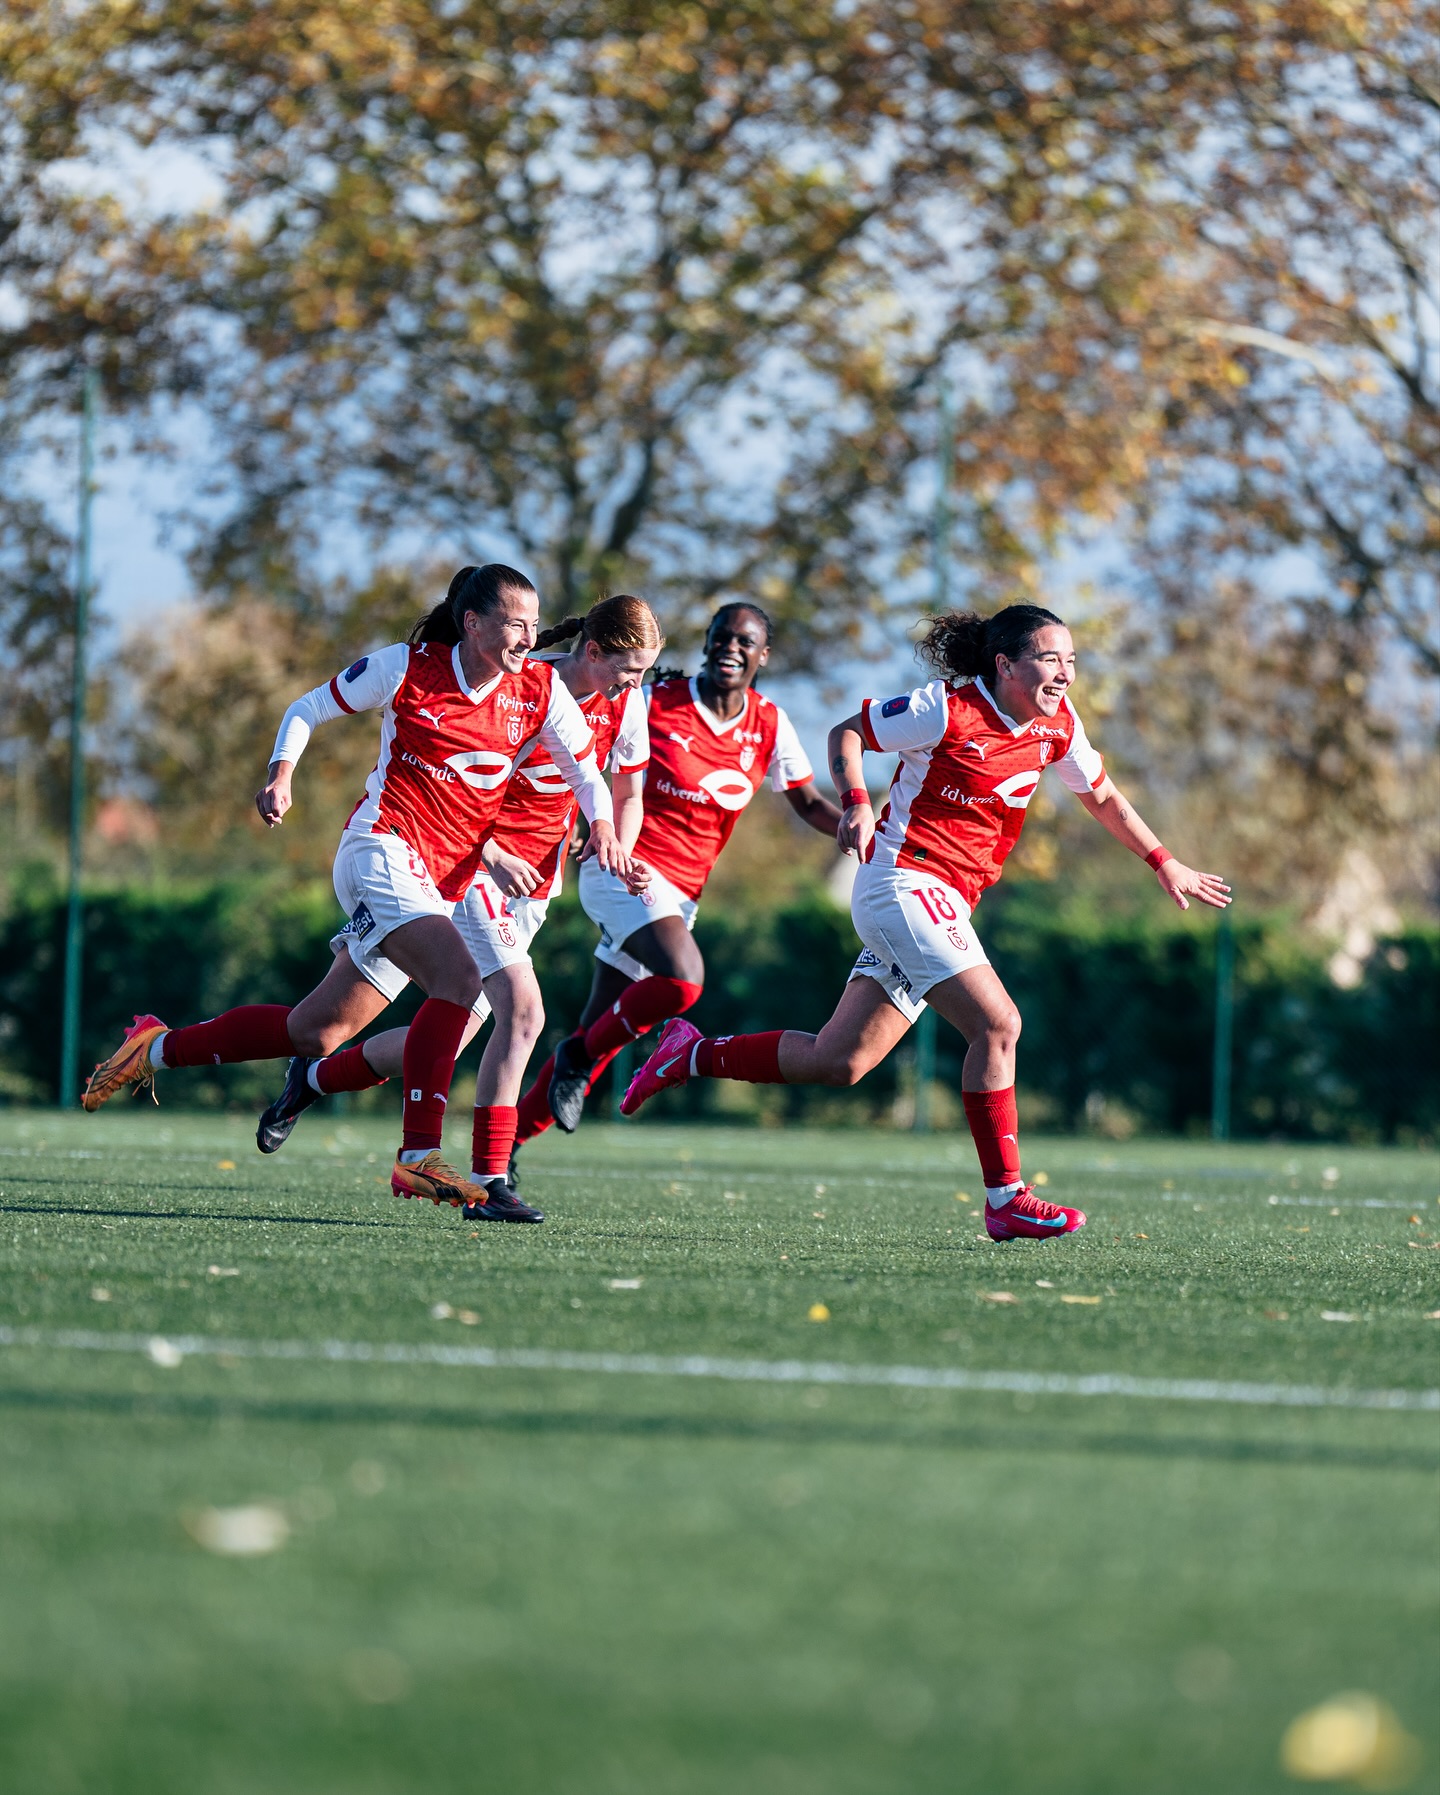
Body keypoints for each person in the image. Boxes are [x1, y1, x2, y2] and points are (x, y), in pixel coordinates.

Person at [620, 604, 1232, 1241]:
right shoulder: (946, 708)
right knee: (999, 1025)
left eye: (1071, 661)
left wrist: (1164, 861)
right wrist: (858, 801)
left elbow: (1102, 796)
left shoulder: (1057, 726)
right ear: (1006, 665)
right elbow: (846, 733)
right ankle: (1006, 1198)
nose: (1065, 674)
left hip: (943, 900)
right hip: (902, 882)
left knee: (841, 1060)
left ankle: (689, 1055)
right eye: (1051, 660)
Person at [81, 564, 632, 1220]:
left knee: (315, 1032)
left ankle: (156, 1047)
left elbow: (588, 774)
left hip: (437, 880)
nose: (527, 636)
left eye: (534, 624)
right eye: (515, 623)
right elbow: (306, 708)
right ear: (473, 622)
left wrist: (600, 824)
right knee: (460, 978)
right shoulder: (407, 666)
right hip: (379, 848)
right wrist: (280, 776)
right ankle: (418, 1157)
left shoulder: (539, 690)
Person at [253, 594, 664, 1199]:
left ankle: (312, 1078)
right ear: (593, 650)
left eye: (645, 672)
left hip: (534, 884)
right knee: (524, 1011)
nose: (637, 683)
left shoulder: (623, 705)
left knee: (437, 1032)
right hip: (475, 871)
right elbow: (468, 788)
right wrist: (492, 856)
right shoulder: (526, 686)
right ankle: (490, 1175)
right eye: (629, 669)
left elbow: (620, 794)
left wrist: (617, 850)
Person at [508, 601, 843, 1173]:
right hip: (622, 871)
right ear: (706, 642)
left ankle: (501, 1148)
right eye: (721, 637)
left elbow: (808, 802)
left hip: (678, 901)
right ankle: (575, 1054)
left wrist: (872, 833)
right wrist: (580, 827)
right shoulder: (653, 700)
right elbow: (584, 763)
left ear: (764, 655)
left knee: (598, 1036)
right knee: (684, 980)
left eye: (746, 641)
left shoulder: (768, 723)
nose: (730, 649)